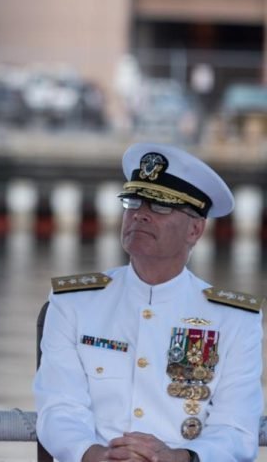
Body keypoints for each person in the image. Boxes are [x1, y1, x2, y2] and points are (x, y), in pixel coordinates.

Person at [34, 143, 263, 462]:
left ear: (195, 229)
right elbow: (58, 408)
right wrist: (94, 455)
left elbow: (237, 431)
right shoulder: (73, 302)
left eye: (161, 207)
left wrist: (177, 458)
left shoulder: (234, 319)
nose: (140, 214)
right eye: (134, 201)